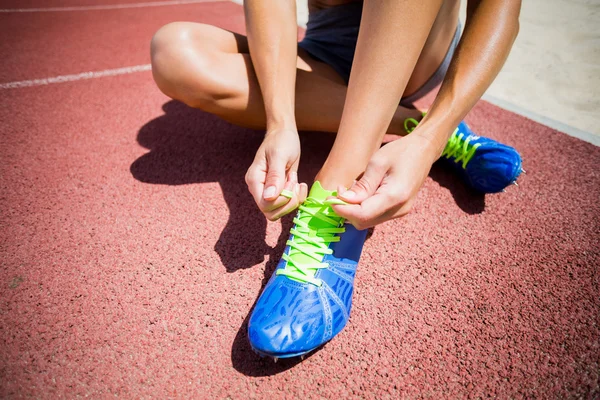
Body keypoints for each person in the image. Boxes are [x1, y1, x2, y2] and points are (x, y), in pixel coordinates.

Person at [150, 0, 523, 360]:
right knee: (175, 52)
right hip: (325, 57)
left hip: (417, 52)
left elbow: (498, 8)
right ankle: (408, 122)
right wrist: (280, 124)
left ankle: (335, 195)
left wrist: (429, 144)